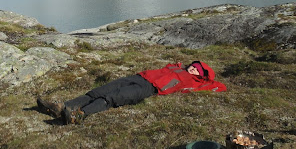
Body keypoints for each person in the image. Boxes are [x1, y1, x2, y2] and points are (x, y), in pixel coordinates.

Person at [37, 60, 226, 124]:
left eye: (197, 70)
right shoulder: (177, 67)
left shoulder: (194, 82)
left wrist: (207, 81)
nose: (192, 69)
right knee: (98, 90)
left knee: (112, 98)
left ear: (201, 75)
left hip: (149, 88)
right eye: (193, 66)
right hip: (140, 76)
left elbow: (218, 86)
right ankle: (62, 107)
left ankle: (77, 116)